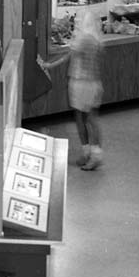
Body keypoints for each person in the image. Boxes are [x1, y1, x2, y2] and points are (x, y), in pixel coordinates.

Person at [37, 10, 105, 170]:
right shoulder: (95, 39)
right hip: (93, 83)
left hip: (81, 83)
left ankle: (91, 153)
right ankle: (92, 153)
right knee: (89, 118)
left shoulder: (84, 40)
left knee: (84, 119)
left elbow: (67, 56)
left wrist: (47, 65)